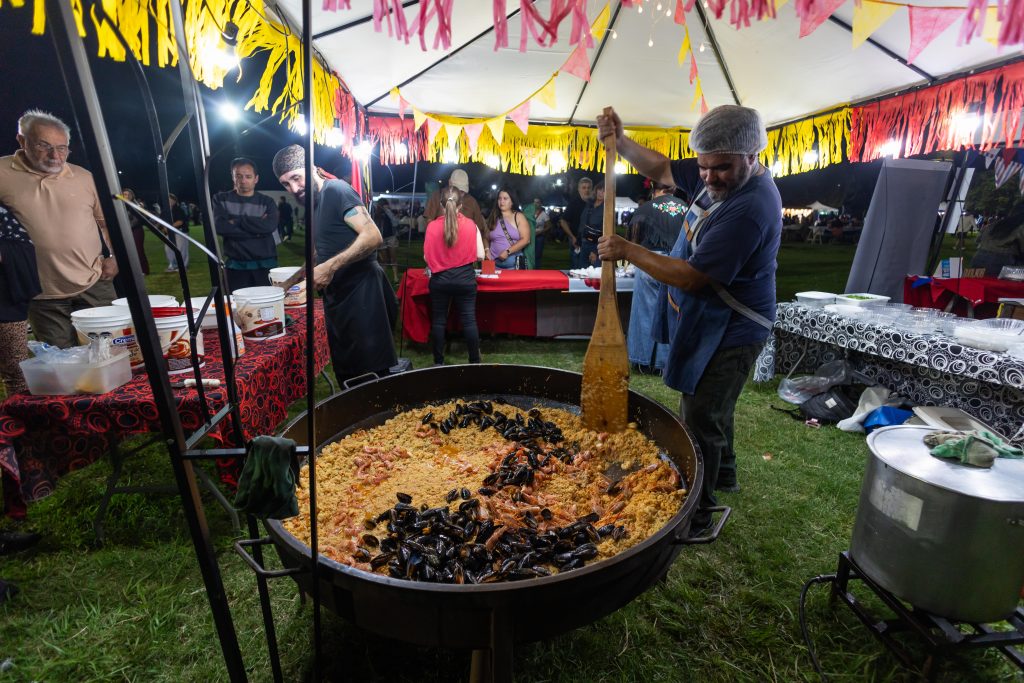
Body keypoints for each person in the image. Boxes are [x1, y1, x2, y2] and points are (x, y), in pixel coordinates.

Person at [596, 104, 781, 537]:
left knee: (700, 415)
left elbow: (696, 278)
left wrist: (628, 250)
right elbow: (661, 167)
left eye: (721, 168)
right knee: (717, 408)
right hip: (712, 316)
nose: (709, 177)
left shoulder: (751, 207)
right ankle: (726, 475)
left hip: (735, 325)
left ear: (752, 156)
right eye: (703, 168)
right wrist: (620, 142)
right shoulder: (720, 173)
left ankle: (698, 514)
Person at [273, 144, 397, 385]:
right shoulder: (315, 202)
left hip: (363, 297)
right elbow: (322, 252)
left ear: (310, 168)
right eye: (286, 184)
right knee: (348, 378)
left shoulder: (336, 190)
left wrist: (329, 267)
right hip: (338, 300)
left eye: (296, 178)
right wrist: (290, 282)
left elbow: (373, 236)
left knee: (369, 380)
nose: (294, 188)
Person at [0, 109, 118, 348]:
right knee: (62, 365)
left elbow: (107, 222)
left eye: (62, 147)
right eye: (44, 146)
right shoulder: (3, 173)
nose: (55, 155)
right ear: (22, 141)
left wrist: (115, 257)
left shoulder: (84, 177)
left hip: (94, 282)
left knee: (112, 353)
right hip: (42, 293)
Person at [627, 181, 686, 373]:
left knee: (644, 312)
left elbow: (633, 241)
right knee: (671, 312)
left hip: (649, 263)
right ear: (674, 189)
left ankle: (643, 362)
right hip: (677, 264)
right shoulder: (688, 209)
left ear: (653, 190)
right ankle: (666, 363)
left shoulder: (645, 209)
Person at [424, 186, 485, 365]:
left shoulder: (432, 227)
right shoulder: (471, 225)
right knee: (468, 320)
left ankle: (438, 362)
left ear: (441, 205)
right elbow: (481, 255)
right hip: (465, 279)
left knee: (439, 320)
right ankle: (474, 361)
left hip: (440, 280)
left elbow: (427, 257)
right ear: (460, 205)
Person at [212, 157, 279, 291]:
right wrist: (257, 227)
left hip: (265, 265)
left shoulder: (267, 202)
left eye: (248, 176)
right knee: (236, 307)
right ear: (233, 178)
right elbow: (220, 227)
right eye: (238, 176)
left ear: (256, 179)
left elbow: (269, 227)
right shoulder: (221, 199)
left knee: (266, 305)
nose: (243, 181)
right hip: (235, 265)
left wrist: (237, 221)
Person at [0, 203, 41, 396]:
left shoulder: (4, 213)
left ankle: (17, 421)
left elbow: (25, 246)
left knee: (17, 372)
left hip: (6, 305)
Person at [424, 169, 488, 248]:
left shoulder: (472, 202)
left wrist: (484, 248)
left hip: (465, 251)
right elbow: (429, 222)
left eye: (462, 191)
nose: (460, 194)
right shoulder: (437, 196)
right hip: (441, 248)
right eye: (457, 190)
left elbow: (479, 228)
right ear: (450, 183)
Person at [970, 202, 1024, 276]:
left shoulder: (996, 224)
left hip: (978, 259)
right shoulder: (1021, 227)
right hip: (1000, 263)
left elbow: (978, 240)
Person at [486, 188, 531, 269]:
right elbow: (485, 237)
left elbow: (526, 240)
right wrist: (486, 249)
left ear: (512, 201)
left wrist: (507, 252)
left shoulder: (519, 216)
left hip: (513, 266)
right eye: (499, 198)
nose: (502, 201)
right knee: (489, 281)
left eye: (505, 198)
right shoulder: (493, 217)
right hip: (492, 264)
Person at [559, 177, 593, 259]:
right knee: (576, 267)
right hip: (577, 240)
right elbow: (563, 221)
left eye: (589, 188)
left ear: (592, 189)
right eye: (584, 188)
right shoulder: (573, 203)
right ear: (579, 189)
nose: (586, 190)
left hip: (592, 242)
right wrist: (572, 237)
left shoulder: (594, 203)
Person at [576, 184, 606, 267]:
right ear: (596, 190)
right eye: (599, 189)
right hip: (583, 242)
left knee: (595, 274)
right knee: (581, 272)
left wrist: (596, 251)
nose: (601, 193)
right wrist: (578, 240)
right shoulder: (589, 204)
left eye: (604, 191)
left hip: (596, 244)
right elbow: (582, 223)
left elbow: (606, 231)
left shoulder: (607, 208)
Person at [373, 198, 399, 282]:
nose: (386, 206)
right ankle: (382, 278)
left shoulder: (389, 213)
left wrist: (387, 211)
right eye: (384, 205)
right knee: (384, 260)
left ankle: (395, 277)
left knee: (393, 258)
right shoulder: (375, 214)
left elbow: (396, 222)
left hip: (391, 237)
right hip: (381, 238)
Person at [164, 193, 189, 273]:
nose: (169, 201)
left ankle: (183, 266)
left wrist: (168, 227)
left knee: (182, 249)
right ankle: (172, 265)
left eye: (170, 199)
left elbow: (180, 221)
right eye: (167, 199)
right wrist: (164, 228)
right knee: (168, 249)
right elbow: (162, 221)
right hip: (169, 233)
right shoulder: (165, 210)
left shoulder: (179, 209)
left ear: (174, 200)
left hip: (180, 232)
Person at [532, 199, 551, 269]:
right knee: (529, 254)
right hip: (530, 237)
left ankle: (537, 271)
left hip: (539, 237)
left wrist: (541, 231)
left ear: (540, 204)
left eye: (537, 202)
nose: (535, 204)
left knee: (538, 255)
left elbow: (549, 226)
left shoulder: (544, 214)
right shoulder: (529, 213)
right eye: (534, 202)